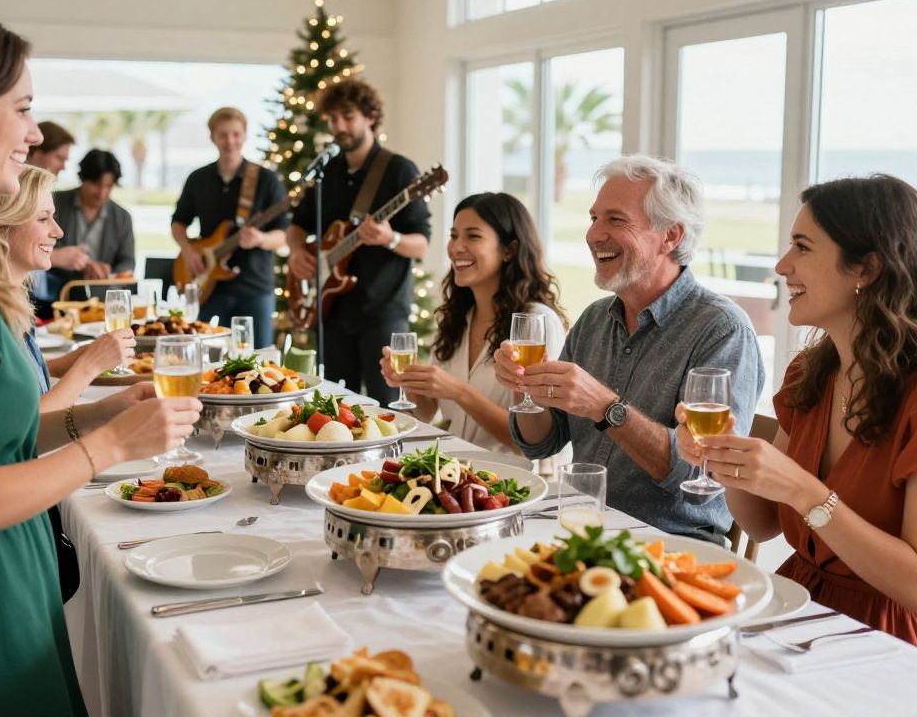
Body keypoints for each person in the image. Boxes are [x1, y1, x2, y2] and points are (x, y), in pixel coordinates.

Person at [0, 6, 201, 716]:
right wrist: (110, 445)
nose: (36, 135)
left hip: (3, 578)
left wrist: (98, 412)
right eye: (23, 108)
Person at [676, 175, 917, 643]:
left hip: (883, 641)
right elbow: (762, 523)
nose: (783, 265)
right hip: (795, 609)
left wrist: (807, 493)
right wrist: (726, 459)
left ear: (865, 269)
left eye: (802, 248)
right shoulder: (811, 374)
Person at [493, 154, 763, 544]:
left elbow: (697, 474)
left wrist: (605, 408)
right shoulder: (594, 319)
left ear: (671, 236)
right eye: (593, 218)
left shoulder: (722, 330)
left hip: (669, 545)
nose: (593, 234)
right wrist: (525, 386)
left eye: (615, 220)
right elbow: (541, 441)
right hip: (580, 531)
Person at [378, 192, 567, 455]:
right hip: (453, 472)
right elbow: (426, 411)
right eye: (454, 235)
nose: (456, 247)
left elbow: (531, 443)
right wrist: (410, 383)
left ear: (509, 250)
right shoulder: (456, 318)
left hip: (511, 480)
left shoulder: (537, 323)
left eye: (473, 236)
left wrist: (459, 392)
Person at [287, 78, 431, 405]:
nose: (340, 126)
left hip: (383, 312)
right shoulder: (329, 172)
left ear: (369, 116)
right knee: (335, 404)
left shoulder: (398, 171)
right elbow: (297, 225)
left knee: (390, 404)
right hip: (333, 312)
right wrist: (297, 251)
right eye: (333, 119)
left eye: (348, 116)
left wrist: (389, 237)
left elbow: (421, 243)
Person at [0, 164, 138, 410]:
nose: (58, 232)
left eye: (53, 217)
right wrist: (90, 365)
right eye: (43, 218)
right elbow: (25, 424)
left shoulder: (14, 298)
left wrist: (71, 361)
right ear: (4, 225)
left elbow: (19, 377)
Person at [171, 107, 288, 345]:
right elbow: (178, 222)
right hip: (209, 289)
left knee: (258, 362)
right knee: (205, 355)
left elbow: (283, 235)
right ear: (212, 137)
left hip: (254, 288)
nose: (230, 141)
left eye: (235, 134)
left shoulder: (266, 179)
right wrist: (188, 250)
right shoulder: (198, 179)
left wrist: (260, 239)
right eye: (223, 134)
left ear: (245, 135)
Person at [50, 148, 135, 288]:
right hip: (58, 294)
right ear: (83, 178)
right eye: (96, 184)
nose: (102, 193)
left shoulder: (123, 217)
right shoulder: (55, 203)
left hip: (103, 297)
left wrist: (111, 274)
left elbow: (127, 260)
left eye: (108, 186)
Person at [26, 120, 85, 316]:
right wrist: (57, 257)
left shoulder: (40, 193)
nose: (63, 166)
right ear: (34, 151)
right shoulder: (14, 193)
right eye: (59, 157)